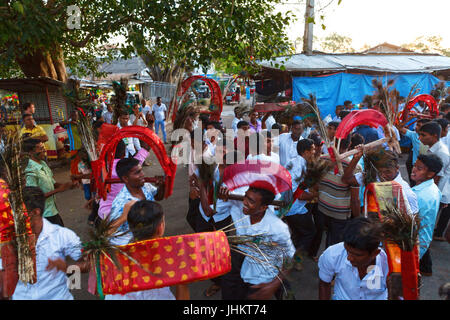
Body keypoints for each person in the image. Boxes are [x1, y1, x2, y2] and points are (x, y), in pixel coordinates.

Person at [0, 186, 89, 300]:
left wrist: (67, 268)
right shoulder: (7, 239)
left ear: (35, 212)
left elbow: (88, 264)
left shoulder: (62, 235)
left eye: (17, 212)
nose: (13, 217)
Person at [219, 185, 296, 300]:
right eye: (245, 197)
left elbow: (291, 258)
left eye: (251, 201)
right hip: (247, 271)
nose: (244, 202)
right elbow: (218, 200)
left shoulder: (277, 228)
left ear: (263, 207)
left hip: (268, 274)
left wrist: (272, 286)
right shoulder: (241, 208)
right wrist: (222, 194)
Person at [105, 200, 189, 300]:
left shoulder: (117, 254)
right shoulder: (155, 274)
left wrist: (123, 217)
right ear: (160, 228)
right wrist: (183, 282)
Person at [318, 217, 388, 300]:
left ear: (374, 253)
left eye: (357, 255)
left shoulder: (388, 265)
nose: (349, 258)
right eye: (347, 251)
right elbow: (324, 283)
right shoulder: (332, 254)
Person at [342, 147, 419, 215]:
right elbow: (346, 179)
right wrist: (355, 159)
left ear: (397, 168)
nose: (383, 176)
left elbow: (412, 222)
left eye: (387, 171)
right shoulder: (373, 176)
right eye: (380, 172)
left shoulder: (406, 192)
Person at [108, 157, 165, 245]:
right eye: (137, 172)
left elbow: (158, 197)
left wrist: (162, 186)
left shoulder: (145, 186)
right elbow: (108, 232)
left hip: (151, 239)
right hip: (134, 246)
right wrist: (124, 217)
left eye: (141, 170)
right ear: (125, 178)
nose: (143, 174)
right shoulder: (121, 202)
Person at [318, 135, 361, 248]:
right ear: (350, 144)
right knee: (335, 244)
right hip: (339, 213)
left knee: (329, 236)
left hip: (323, 207)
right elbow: (355, 199)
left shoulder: (323, 159)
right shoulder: (355, 167)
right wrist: (357, 219)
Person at [23, 139, 77, 227]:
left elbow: (52, 183)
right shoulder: (30, 172)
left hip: (52, 210)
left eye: (43, 147)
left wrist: (67, 185)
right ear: (30, 152)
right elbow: (34, 197)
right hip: (44, 214)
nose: (44, 150)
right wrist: (59, 190)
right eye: (40, 148)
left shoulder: (43, 163)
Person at [283, 139, 318, 271]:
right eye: (312, 150)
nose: (314, 152)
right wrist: (314, 196)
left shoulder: (297, 162)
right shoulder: (298, 165)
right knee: (309, 233)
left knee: (298, 233)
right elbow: (296, 193)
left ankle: (290, 256)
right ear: (306, 152)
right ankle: (296, 260)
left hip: (291, 207)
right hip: (295, 208)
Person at [98, 140, 151, 220]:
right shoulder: (132, 166)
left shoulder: (102, 167)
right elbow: (146, 147)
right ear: (124, 153)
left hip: (105, 212)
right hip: (126, 212)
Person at [410, 154, 443, 276]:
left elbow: (409, 222)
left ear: (430, 174)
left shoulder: (419, 195)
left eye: (419, 168)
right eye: (415, 166)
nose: (414, 169)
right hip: (423, 239)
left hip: (415, 242)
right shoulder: (433, 188)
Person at [418, 122, 450, 241]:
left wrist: (428, 194)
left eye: (423, 135)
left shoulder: (441, 152)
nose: (420, 138)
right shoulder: (432, 148)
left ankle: (425, 240)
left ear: (434, 136)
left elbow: (437, 177)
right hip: (433, 188)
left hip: (439, 190)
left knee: (428, 217)